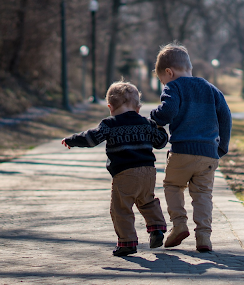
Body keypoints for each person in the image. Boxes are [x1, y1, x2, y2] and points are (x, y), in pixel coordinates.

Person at [62, 80, 169, 257]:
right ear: (137, 107)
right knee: (147, 200)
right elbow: (160, 142)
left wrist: (72, 140)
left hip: (125, 173)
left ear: (110, 107)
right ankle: (156, 229)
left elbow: (91, 138)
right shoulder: (145, 123)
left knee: (121, 208)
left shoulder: (109, 124)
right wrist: (161, 129)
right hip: (148, 172)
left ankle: (127, 242)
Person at [150, 42, 231, 252]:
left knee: (172, 185)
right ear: (189, 68)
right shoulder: (210, 88)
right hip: (208, 154)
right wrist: (222, 147)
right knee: (203, 194)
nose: (163, 84)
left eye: (162, 80)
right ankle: (204, 237)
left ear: (169, 72)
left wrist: (154, 116)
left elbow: (167, 112)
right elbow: (226, 116)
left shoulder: (173, 87)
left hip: (182, 151)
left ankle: (179, 224)